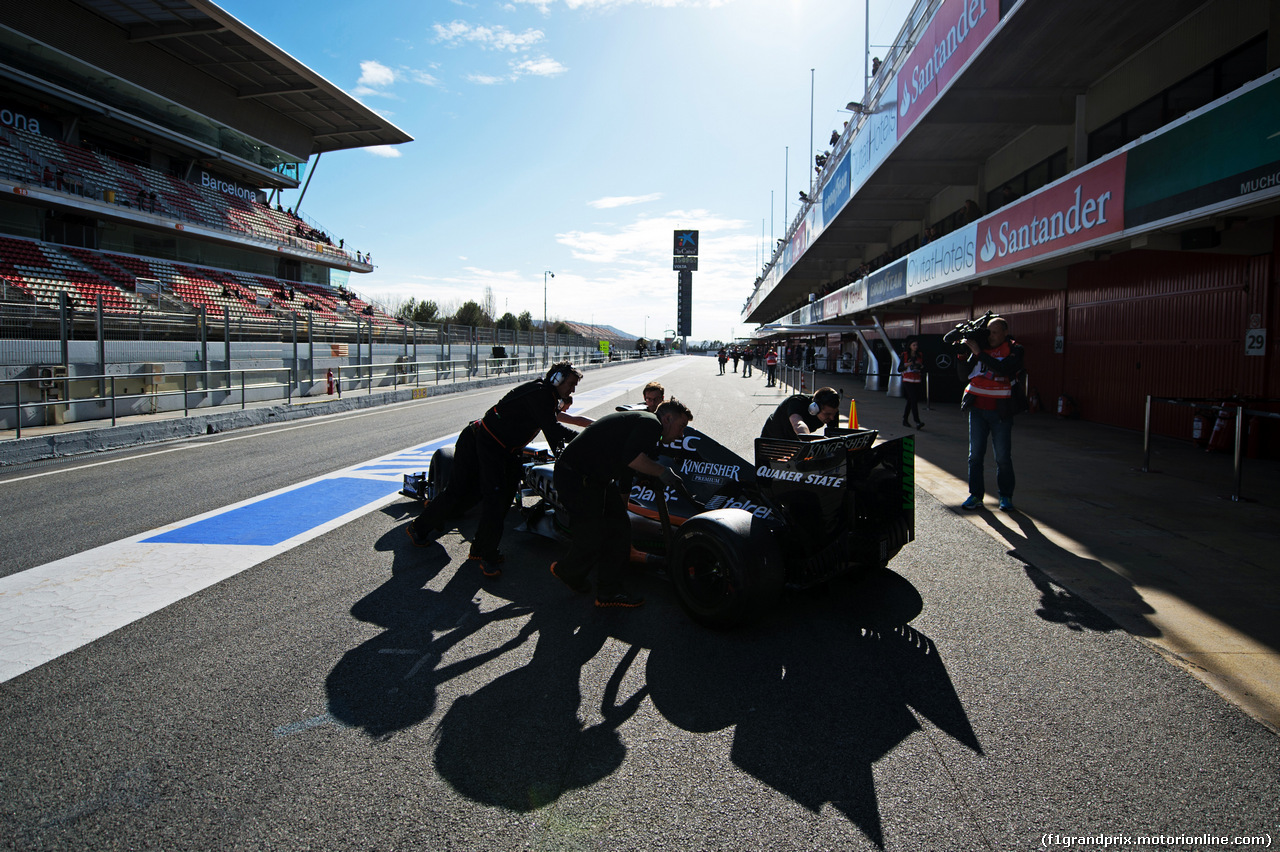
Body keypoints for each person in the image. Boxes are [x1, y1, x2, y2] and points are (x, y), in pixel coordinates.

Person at [406, 362, 583, 577]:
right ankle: (426, 531)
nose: (572, 390)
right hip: (480, 440)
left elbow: (553, 436)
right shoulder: (540, 393)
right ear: (557, 378)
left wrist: (563, 456)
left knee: (503, 496)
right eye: (571, 384)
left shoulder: (549, 398)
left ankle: (480, 549)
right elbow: (553, 430)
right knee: (477, 495)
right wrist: (584, 440)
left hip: (504, 449)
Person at [548, 399, 694, 608]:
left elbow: (628, 468)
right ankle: (569, 571)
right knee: (594, 532)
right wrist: (662, 472)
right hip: (576, 478)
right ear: (668, 418)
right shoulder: (651, 424)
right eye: (682, 426)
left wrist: (649, 477)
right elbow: (632, 459)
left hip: (594, 480)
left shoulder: (646, 426)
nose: (681, 434)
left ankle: (608, 591)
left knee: (620, 529)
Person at [960, 318, 1025, 512]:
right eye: (989, 332)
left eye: (995, 332)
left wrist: (979, 353)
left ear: (1005, 332)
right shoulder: (980, 348)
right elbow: (963, 375)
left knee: (1003, 457)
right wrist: (964, 354)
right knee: (975, 456)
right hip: (977, 410)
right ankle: (975, 495)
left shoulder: (1015, 349)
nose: (991, 336)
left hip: (1001, 412)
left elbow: (1005, 369)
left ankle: (1005, 496)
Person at [760, 387, 841, 440]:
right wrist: (810, 443)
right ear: (814, 408)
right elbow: (798, 424)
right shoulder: (796, 402)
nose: (832, 418)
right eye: (827, 414)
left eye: (834, 413)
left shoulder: (831, 412)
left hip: (795, 440)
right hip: (773, 438)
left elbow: (833, 435)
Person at [900, 339, 926, 429]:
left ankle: (905, 419)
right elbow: (899, 368)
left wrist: (920, 366)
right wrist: (907, 365)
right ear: (910, 346)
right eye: (914, 345)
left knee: (911, 400)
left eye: (916, 345)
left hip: (917, 380)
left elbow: (923, 367)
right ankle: (917, 421)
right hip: (907, 380)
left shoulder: (920, 355)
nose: (915, 347)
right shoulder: (905, 355)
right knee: (913, 399)